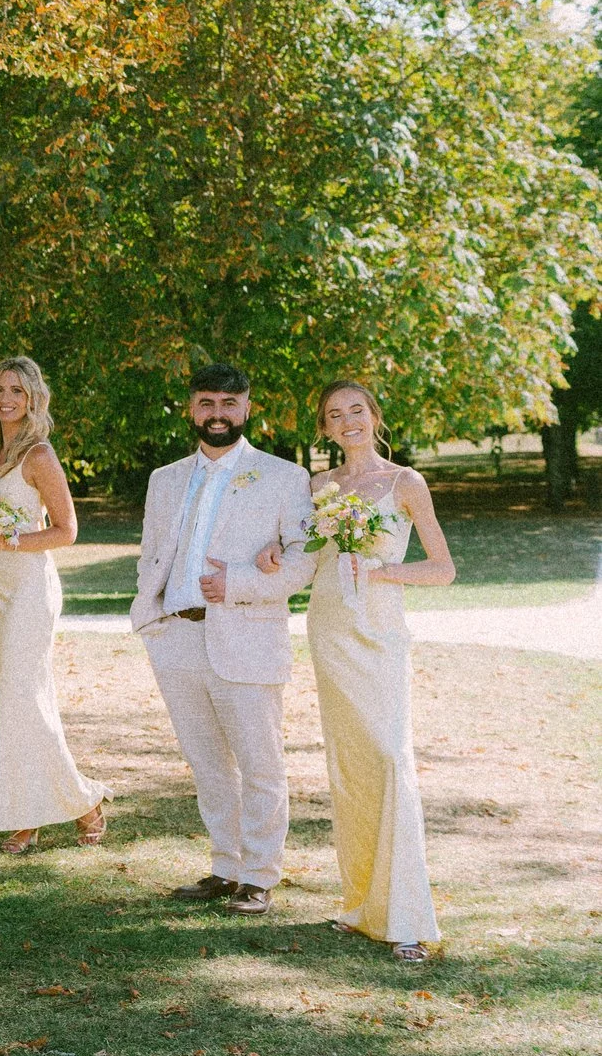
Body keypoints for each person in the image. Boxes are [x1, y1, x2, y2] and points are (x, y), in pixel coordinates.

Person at [261, 381, 451, 961]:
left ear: (374, 416)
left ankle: (408, 920)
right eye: (334, 415)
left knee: (391, 756)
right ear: (324, 427)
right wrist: (271, 553)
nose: (347, 421)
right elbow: (305, 552)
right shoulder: (319, 486)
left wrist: (383, 570)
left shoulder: (405, 482)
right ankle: (362, 905)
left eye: (356, 411)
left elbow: (442, 569)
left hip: (380, 629)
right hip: (330, 627)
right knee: (348, 764)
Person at [128, 361, 315, 917]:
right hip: (175, 638)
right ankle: (224, 866)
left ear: (247, 408)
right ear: (191, 409)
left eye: (228, 405)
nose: (217, 415)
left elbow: (303, 562)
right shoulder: (164, 479)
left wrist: (239, 583)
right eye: (207, 404)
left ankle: (258, 875)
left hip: (247, 636)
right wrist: (151, 617)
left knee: (260, 763)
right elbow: (150, 555)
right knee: (207, 763)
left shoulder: (284, 477)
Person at [0, 357, 109, 855]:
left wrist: (10, 541)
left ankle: (46, 811)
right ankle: (64, 804)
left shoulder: (39, 455)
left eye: (18, 392)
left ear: (33, 400)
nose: (7, 399)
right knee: (7, 704)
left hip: (27, 587)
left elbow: (67, 531)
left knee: (21, 700)